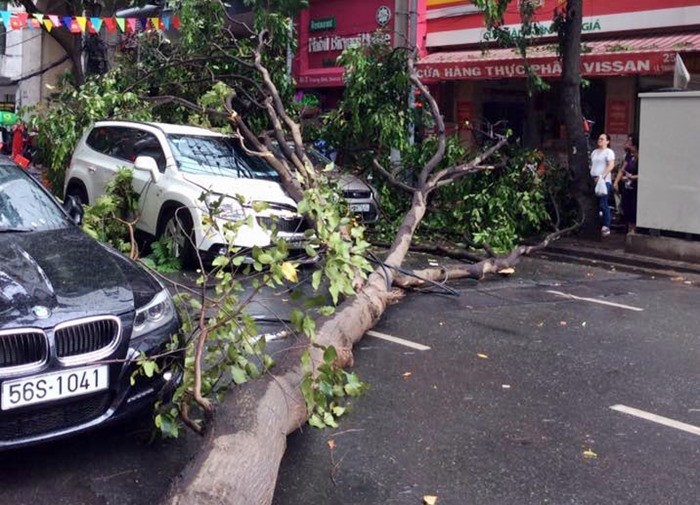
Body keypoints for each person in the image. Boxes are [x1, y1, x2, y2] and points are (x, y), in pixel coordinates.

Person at [590, 132, 615, 237]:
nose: (600, 140)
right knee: (594, 203)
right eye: (599, 138)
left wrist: (602, 176)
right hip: (594, 179)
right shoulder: (595, 152)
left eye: (602, 139)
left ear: (607, 141)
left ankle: (606, 225)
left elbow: (611, 165)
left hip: (604, 181)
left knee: (603, 202)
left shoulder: (608, 152)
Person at [614, 134, 639, 233]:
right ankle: (628, 229)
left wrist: (632, 177)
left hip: (635, 186)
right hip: (627, 186)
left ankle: (633, 230)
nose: (627, 144)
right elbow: (622, 169)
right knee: (626, 207)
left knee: (633, 208)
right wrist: (616, 182)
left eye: (630, 142)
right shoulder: (628, 156)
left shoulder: (640, 156)